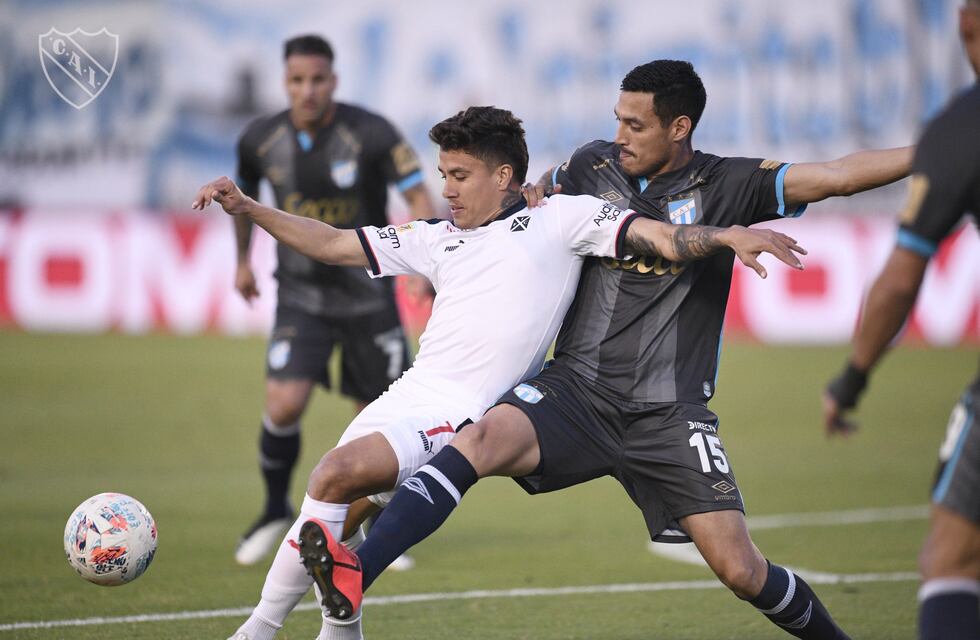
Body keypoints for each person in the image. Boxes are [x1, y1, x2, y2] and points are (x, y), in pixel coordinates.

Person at [305, 60, 915, 639]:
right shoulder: (591, 164)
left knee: (741, 570)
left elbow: (838, 175)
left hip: (668, 412)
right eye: (617, 118)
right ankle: (357, 572)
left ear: (680, 128)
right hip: (575, 391)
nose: (618, 134)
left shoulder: (730, 183)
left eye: (636, 124)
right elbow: (529, 205)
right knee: (478, 440)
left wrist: (940, 152)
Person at [194, 105, 805, 640]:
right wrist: (248, 207)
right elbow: (330, 243)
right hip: (407, 394)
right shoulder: (435, 237)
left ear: (505, 176)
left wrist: (723, 235)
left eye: (460, 177)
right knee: (332, 513)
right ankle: (333, 624)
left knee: (334, 476)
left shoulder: (561, 220)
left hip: (463, 412)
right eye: (443, 177)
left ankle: (258, 631)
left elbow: (659, 237)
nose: (447, 191)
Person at [232, 34, 437, 567]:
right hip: (300, 294)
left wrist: (426, 257)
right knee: (284, 403)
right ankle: (275, 509)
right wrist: (243, 261)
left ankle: (371, 528)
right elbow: (245, 203)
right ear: (285, 82)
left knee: (375, 416)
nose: (308, 90)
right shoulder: (259, 137)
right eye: (297, 80)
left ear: (334, 80)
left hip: (368, 294)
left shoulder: (369, 132)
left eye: (317, 79)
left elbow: (417, 192)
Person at [823, 3, 980, 638]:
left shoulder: (963, 128)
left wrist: (852, 378)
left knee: (952, 558)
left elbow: (899, 280)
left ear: (968, 26)